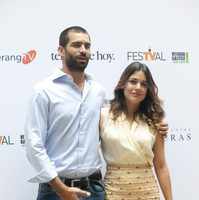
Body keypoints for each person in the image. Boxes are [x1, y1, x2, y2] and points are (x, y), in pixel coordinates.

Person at [24, 26, 169, 200]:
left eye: (87, 45)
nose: (83, 50)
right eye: (76, 45)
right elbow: (34, 145)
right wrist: (60, 188)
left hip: (94, 189)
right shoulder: (43, 91)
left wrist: (158, 124)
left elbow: (114, 129)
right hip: (55, 189)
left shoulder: (97, 92)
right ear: (61, 51)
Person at [100, 62, 173, 200]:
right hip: (113, 192)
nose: (138, 87)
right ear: (123, 84)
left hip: (148, 192)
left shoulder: (154, 120)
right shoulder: (104, 115)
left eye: (144, 84)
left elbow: (161, 165)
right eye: (133, 81)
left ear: (148, 90)